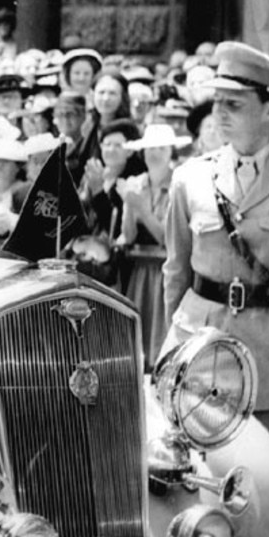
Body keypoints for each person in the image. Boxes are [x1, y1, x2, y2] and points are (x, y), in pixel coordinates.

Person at [162, 40, 269, 476]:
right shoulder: (190, 178)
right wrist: (170, 353)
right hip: (200, 356)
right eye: (217, 102)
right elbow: (175, 273)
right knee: (193, 487)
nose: (219, 113)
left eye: (235, 104)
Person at [118, 123, 190, 366]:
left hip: (166, 270)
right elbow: (127, 237)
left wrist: (142, 210)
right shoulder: (135, 183)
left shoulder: (179, 183)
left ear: (171, 151)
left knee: (162, 341)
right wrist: (129, 207)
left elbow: (167, 238)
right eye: (150, 148)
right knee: (137, 343)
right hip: (141, 271)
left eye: (161, 148)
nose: (155, 153)